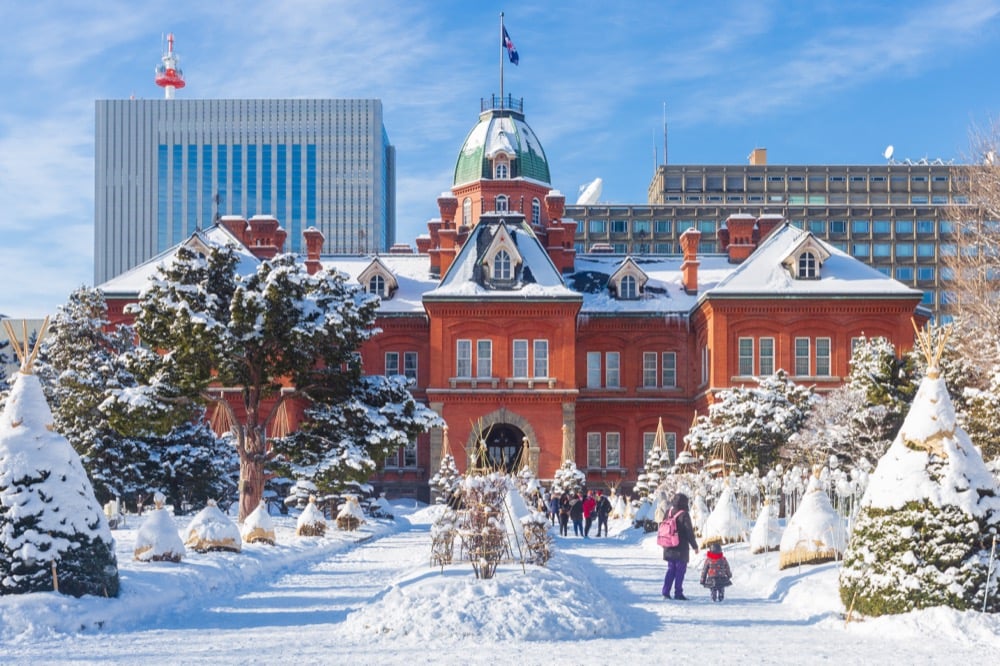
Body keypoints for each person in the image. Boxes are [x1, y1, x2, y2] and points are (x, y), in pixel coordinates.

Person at [661, 492, 699, 600]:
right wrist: (695, 546)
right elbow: (689, 532)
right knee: (680, 571)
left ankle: (665, 591)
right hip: (680, 548)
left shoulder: (668, 512)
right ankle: (678, 593)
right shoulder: (684, 514)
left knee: (670, 570)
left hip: (668, 546)